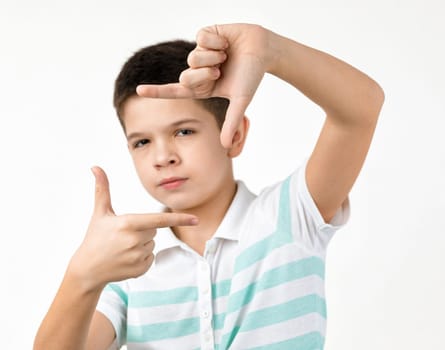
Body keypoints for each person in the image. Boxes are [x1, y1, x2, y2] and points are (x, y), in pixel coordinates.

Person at [34, 23, 384, 350]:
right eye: (141, 142)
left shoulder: (292, 215)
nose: (162, 156)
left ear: (235, 134)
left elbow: (360, 110)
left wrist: (271, 50)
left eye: (183, 131)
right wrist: (81, 276)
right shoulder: (128, 271)